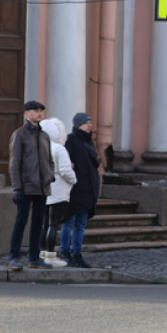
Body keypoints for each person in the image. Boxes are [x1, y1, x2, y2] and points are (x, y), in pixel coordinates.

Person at [8, 100, 54, 271]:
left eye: (41, 110)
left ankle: (34, 257)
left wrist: (49, 176)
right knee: (21, 221)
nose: (39, 113)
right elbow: (15, 162)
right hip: (26, 186)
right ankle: (14, 257)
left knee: (38, 224)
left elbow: (49, 161)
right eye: (35, 110)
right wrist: (17, 187)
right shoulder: (19, 134)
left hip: (42, 187)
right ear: (27, 113)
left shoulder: (44, 136)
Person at [60, 112, 101, 269]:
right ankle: (65, 253)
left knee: (81, 225)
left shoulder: (89, 142)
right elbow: (66, 163)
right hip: (74, 189)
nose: (90, 125)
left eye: (90, 122)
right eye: (86, 123)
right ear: (78, 125)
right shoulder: (71, 140)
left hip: (88, 190)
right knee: (69, 222)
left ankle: (77, 254)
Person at [39, 117, 77, 267]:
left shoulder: (40, 147)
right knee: (53, 224)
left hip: (43, 188)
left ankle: (42, 252)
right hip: (59, 189)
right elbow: (65, 170)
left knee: (44, 223)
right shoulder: (59, 148)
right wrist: (74, 180)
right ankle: (50, 254)